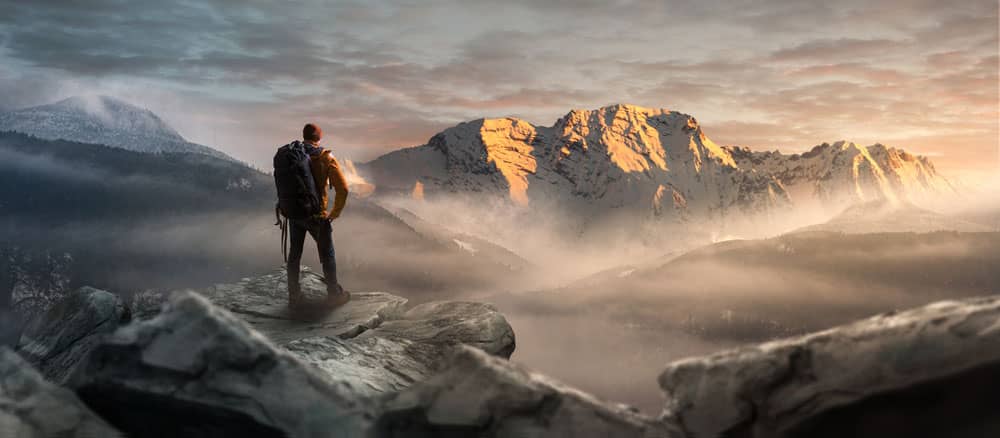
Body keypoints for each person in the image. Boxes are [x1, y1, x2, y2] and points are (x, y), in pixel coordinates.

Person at [286, 123, 350, 308]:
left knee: (294, 255)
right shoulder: (325, 157)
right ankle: (334, 295)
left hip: (295, 213)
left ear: (303, 135)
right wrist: (334, 213)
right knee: (327, 254)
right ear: (319, 138)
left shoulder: (292, 154)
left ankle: (294, 296)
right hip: (317, 216)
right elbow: (343, 189)